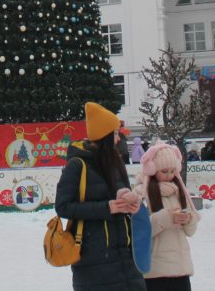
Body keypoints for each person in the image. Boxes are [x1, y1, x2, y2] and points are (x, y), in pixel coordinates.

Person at [55, 102, 145, 290]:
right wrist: (107, 208)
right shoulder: (77, 165)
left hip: (126, 257)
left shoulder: (115, 162)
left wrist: (129, 200)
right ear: (104, 136)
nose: (118, 139)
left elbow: (121, 192)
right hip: (93, 260)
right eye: (114, 133)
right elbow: (63, 206)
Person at [134, 141, 199, 289]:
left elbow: (191, 231)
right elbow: (139, 229)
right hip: (155, 271)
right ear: (152, 169)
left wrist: (188, 219)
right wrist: (167, 218)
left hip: (180, 269)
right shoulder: (141, 193)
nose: (169, 176)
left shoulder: (179, 191)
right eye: (164, 171)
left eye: (172, 171)